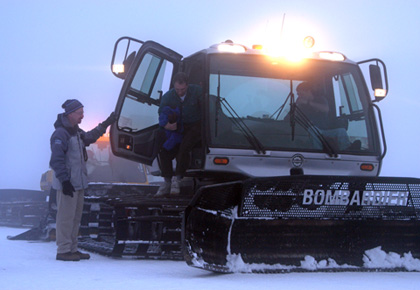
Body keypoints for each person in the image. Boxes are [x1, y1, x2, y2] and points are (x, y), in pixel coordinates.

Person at [50, 99, 116, 261]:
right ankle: (63, 251)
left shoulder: (76, 132)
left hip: (78, 184)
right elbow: (56, 160)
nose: (82, 116)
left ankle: (72, 248)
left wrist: (106, 123)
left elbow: (90, 137)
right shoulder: (61, 134)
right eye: (79, 113)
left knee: (75, 217)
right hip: (68, 184)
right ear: (70, 114)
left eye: (83, 113)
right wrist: (65, 181)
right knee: (65, 217)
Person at [155, 72, 202, 197]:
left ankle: (178, 178)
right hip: (177, 127)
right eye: (177, 89)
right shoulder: (168, 97)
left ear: (187, 85)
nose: (180, 92)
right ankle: (167, 180)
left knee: (184, 148)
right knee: (164, 149)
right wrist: (166, 125)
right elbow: (161, 113)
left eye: (183, 89)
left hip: (194, 126)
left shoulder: (197, 92)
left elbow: (208, 106)